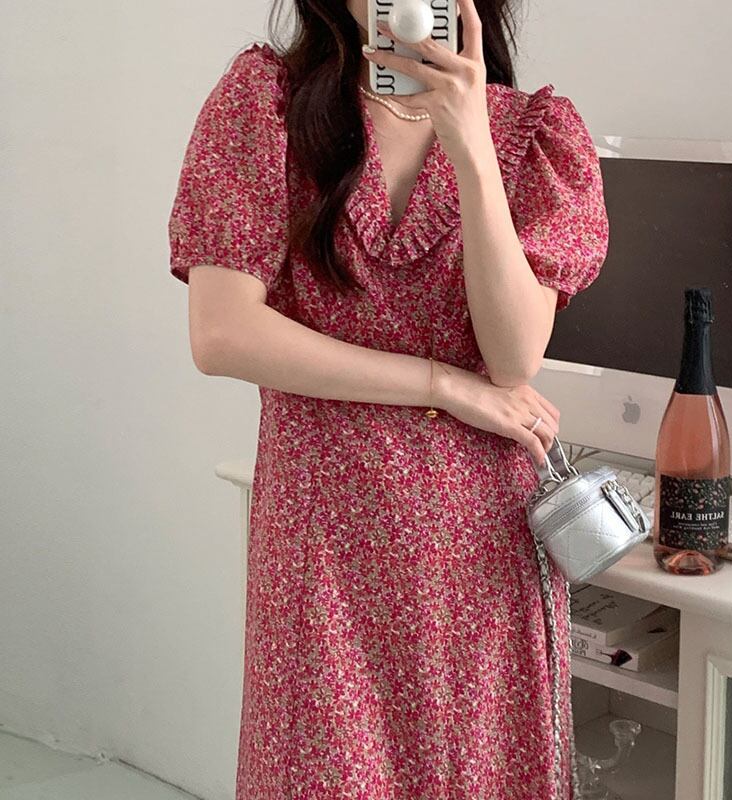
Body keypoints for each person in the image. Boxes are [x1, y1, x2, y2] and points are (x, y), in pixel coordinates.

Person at [167, 0, 609, 796]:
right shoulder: (266, 105)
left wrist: (470, 141)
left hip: (481, 553)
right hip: (325, 545)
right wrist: (442, 385)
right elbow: (222, 333)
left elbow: (513, 357)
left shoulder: (534, 136)